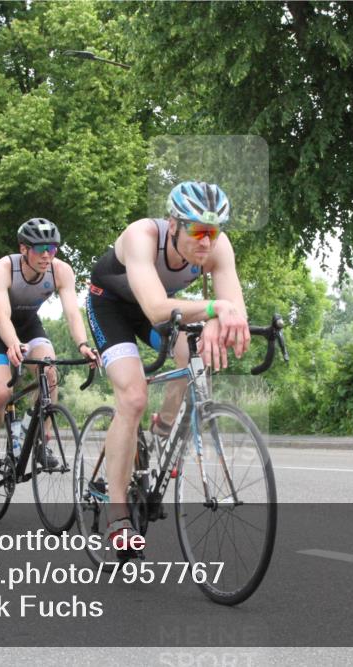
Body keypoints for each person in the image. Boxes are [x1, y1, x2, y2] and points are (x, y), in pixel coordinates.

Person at [86, 181, 251, 556]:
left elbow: (233, 306)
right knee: (132, 397)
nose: (205, 241)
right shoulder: (141, 236)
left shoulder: (217, 247)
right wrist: (212, 310)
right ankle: (117, 512)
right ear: (173, 224)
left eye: (213, 231)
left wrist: (216, 321)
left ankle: (164, 426)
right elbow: (158, 307)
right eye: (196, 230)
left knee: (199, 355)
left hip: (156, 313)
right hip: (112, 307)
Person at [0, 218, 98, 491]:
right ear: (23, 248)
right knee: (1, 393)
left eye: (52, 248)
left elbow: (71, 312)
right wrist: (12, 343)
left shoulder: (61, 271)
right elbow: (1, 315)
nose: (47, 255)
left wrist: (83, 344)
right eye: (40, 248)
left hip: (29, 324)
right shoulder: (3, 268)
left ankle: (40, 439)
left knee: (49, 372)